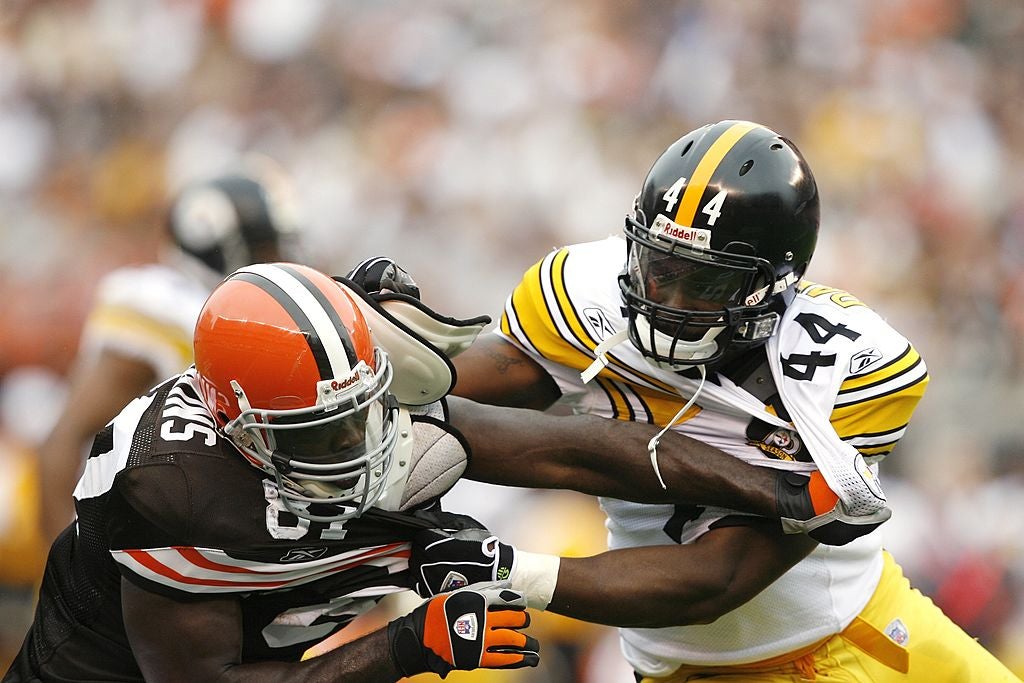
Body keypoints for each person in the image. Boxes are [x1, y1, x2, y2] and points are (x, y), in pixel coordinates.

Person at [5, 258, 867, 683]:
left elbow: (568, 445)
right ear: (241, 428)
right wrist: (404, 644)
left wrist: (771, 485)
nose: (360, 442)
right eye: (323, 431)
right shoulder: (175, 497)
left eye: (363, 410)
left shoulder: (365, 403)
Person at [421, 120, 1019, 681]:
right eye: (660, 269)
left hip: (854, 647)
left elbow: (718, 579)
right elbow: (449, 395)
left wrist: (510, 569)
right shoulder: (586, 296)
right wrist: (376, 352)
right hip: (677, 669)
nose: (672, 300)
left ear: (774, 282)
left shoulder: (847, 368)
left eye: (706, 283)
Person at [35, 166, 302, 544]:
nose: (282, 259)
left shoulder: (228, 315)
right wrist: (69, 579)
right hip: (120, 535)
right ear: (221, 246)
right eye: (269, 246)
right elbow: (63, 442)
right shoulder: (166, 307)